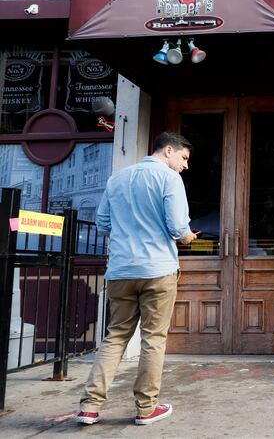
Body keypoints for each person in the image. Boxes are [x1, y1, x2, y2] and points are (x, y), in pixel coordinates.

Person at [76, 132, 197, 426]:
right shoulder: (169, 179)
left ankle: (90, 407)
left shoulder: (117, 178)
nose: (185, 166)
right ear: (168, 150)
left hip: (120, 270)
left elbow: (102, 222)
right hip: (157, 269)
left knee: (115, 336)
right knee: (153, 338)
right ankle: (146, 408)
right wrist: (188, 237)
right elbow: (178, 226)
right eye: (183, 158)